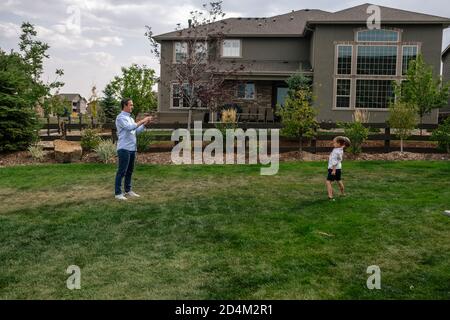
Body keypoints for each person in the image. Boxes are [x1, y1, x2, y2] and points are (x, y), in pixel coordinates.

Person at [114, 98, 154, 200]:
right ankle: (118, 193)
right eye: (131, 105)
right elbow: (130, 128)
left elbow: (135, 131)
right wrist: (142, 120)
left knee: (129, 171)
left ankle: (128, 190)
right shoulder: (120, 118)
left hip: (132, 148)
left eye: (132, 105)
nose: (132, 107)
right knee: (122, 171)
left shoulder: (131, 118)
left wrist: (145, 125)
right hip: (124, 148)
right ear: (125, 106)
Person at [326, 136, 351, 201]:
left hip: (333, 169)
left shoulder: (335, 151)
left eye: (334, 142)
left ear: (339, 144)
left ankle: (330, 196)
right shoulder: (341, 149)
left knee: (328, 182)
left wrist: (333, 170)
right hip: (339, 168)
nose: (333, 143)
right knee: (339, 180)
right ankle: (342, 193)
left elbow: (334, 162)